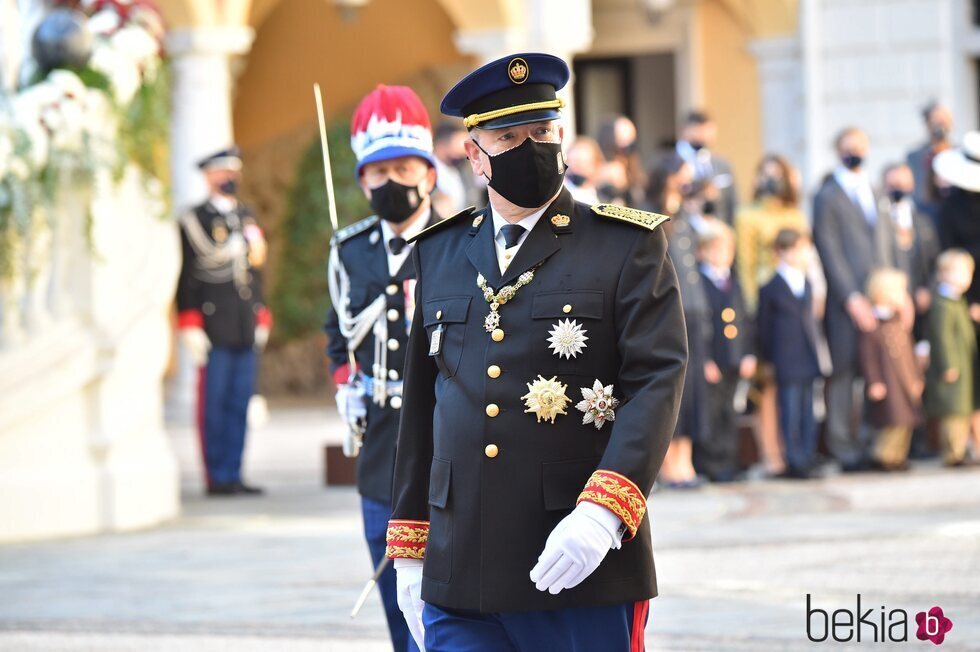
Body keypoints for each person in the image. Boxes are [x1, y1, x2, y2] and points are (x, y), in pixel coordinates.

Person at [386, 53, 687, 651]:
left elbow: (657, 380)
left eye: (543, 132)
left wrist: (604, 512)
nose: (531, 147)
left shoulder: (623, 244)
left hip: (577, 560)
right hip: (459, 567)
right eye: (508, 136)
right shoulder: (439, 253)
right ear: (474, 155)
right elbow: (422, 407)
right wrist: (410, 553)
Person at [323, 84, 441, 652]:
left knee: (444, 587)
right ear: (361, 181)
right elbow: (337, 329)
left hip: (444, 436)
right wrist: (345, 386)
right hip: (379, 442)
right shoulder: (349, 250)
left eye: (402, 167)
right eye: (378, 171)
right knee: (391, 576)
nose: (391, 181)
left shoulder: (458, 239)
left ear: (430, 172)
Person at [176, 146, 271, 496]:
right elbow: (188, 273)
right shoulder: (195, 219)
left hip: (244, 321)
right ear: (208, 176)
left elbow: (255, 271)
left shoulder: (245, 216)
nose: (229, 178)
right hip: (212, 324)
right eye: (222, 172)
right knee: (213, 404)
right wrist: (188, 321)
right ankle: (216, 475)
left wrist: (262, 311)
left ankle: (234, 471)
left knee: (239, 401)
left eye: (233, 171)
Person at [813, 127, 896, 473]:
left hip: (881, 298)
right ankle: (843, 446)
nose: (856, 152)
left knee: (875, 371)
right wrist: (852, 297)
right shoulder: (828, 196)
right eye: (850, 147)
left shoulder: (875, 190)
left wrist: (893, 291)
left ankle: (870, 443)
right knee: (845, 372)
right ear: (839, 151)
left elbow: (887, 244)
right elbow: (829, 249)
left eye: (861, 146)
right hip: (847, 304)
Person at [647, 152, 706, 488]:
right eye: (682, 173)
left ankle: (686, 461)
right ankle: (669, 464)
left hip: (694, 308)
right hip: (671, 308)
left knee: (693, 391)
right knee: (674, 387)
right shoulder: (650, 212)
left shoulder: (685, 216)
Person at [757, 228, 824, 479]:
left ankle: (807, 455)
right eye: (792, 249)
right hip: (785, 358)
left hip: (807, 355)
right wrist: (768, 359)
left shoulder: (805, 282)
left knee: (809, 410)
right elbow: (763, 328)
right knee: (790, 410)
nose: (798, 254)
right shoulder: (770, 287)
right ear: (780, 252)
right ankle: (793, 458)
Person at [697, 221, 756, 482]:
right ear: (703, 252)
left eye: (727, 250)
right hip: (714, 359)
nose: (723, 256)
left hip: (734, 357)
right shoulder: (700, 283)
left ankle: (730, 459)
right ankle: (712, 462)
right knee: (712, 411)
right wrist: (705, 360)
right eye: (717, 250)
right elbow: (701, 325)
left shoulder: (734, 281)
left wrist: (748, 353)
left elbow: (744, 319)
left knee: (731, 411)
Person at [857, 268, 924, 471]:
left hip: (904, 382)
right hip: (888, 383)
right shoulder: (872, 324)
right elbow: (867, 357)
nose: (903, 297)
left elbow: (910, 354)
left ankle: (898, 456)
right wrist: (874, 381)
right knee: (891, 421)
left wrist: (916, 378)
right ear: (882, 294)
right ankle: (883, 455)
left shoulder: (898, 322)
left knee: (905, 421)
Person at [924, 249, 977, 467]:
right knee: (953, 411)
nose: (966, 278)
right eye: (961, 272)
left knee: (963, 410)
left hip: (966, 368)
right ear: (944, 273)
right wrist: (949, 364)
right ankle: (954, 453)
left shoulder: (958, 302)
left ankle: (962, 448)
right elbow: (942, 337)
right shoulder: (943, 304)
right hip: (954, 369)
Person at [675, 110, 738, 225]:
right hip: (684, 232)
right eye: (699, 130)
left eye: (708, 130)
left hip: (718, 230)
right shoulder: (672, 165)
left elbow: (732, 204)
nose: (704, 135)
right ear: (685, 130)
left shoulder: (722, 165)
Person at [907, 101, 953, 223]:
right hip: (928, 219)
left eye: (945, 120)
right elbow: (916, 191)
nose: (942, 125)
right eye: (937, 120)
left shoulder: (958, 153)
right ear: (928, 123)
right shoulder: (915, 157)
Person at [597, 115, 646, 206]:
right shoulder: (608, 169)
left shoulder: (632, 166)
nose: (628, 146)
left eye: (631, 141)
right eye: (623, 140)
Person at [432, 121, 478, 216]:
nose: (462, 153)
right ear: (441, 146)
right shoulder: (429, 171)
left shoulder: (461, 169)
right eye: (456, 146)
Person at [563, 135, 604, 204]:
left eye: (580, 164)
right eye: (570, 162)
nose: (574, 170)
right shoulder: (558, 194)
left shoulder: (602, 201)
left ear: (596, 167)